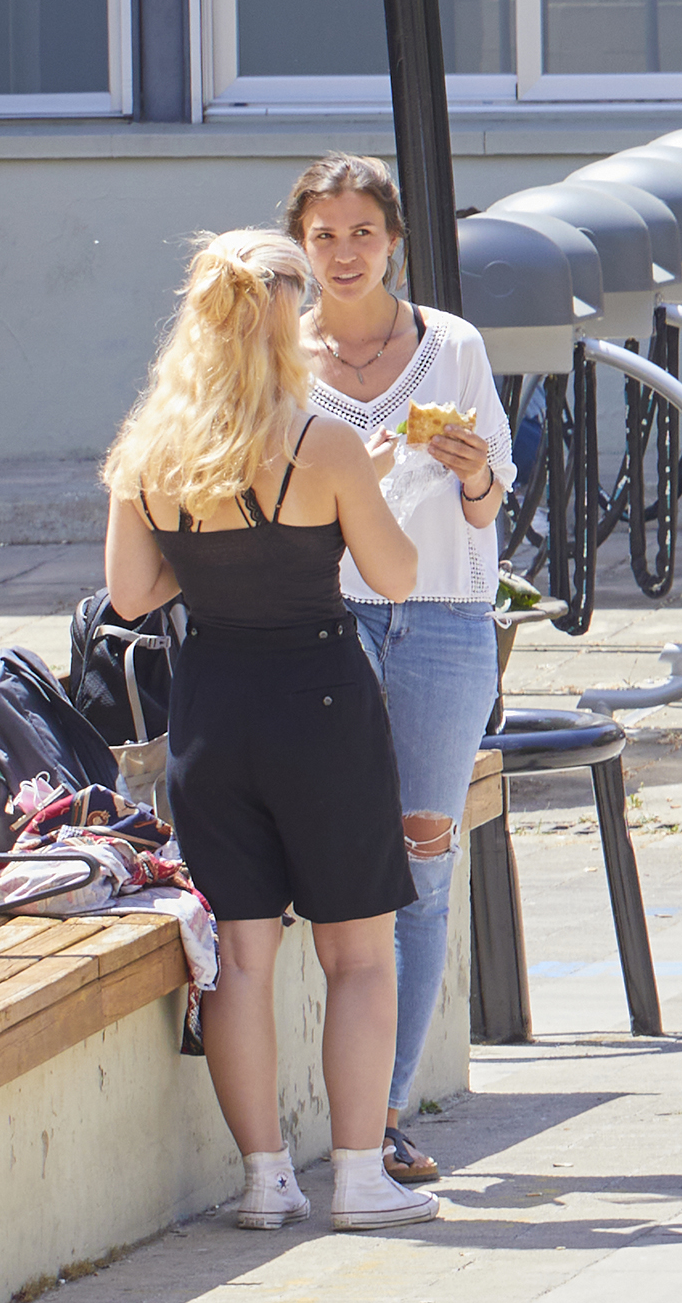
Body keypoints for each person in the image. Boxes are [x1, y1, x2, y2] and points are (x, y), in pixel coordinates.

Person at [97, 230, 446, 1233]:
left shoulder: (150, 451)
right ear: (287, 318)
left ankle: (263, 1181)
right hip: (320, 708)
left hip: (212, 708)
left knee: (242, 961)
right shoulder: (321, 440)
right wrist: (357, 492)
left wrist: (214, 562)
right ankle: (357, 1178)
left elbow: (131, 593)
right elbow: (395, 577)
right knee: (360, 957)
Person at [281, 154, 508, 1187]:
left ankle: (383, 1110)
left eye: (360, 232)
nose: (341, 253)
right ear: (301, 242)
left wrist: (472, 476)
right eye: (323, 235)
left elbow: (491, 502)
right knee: (329, 859)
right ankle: (315, 1104)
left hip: (444, 620)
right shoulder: (282, 353)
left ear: (393, 240)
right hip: (329, 623)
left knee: (423, 857)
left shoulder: (450, 345)